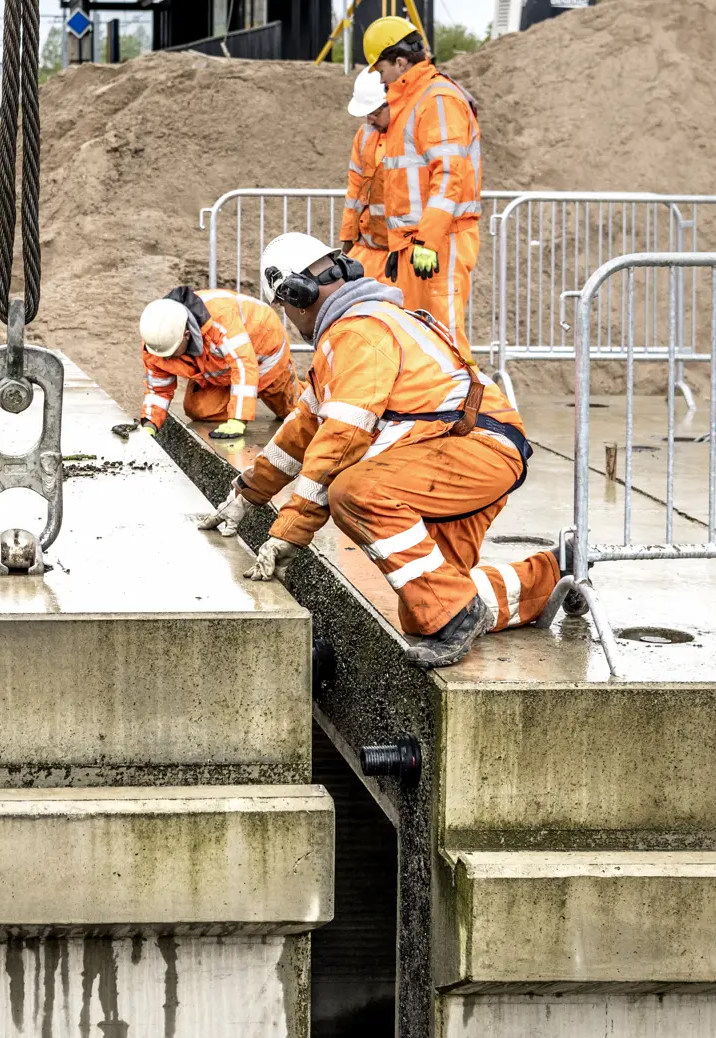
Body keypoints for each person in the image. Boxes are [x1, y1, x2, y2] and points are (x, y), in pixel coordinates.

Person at [198, 232, 559, 668]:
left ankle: (460, 614)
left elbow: (341, 442)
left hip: (471, 450)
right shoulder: (358, 329)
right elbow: (301, 432)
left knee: (354, 491)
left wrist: (289, 530)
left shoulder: (357, 334)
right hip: (461, 450)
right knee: (429, 607)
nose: (289, 317)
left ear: (296, 294)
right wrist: (245, 495)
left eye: (284, 305)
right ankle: (552, 575)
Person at [362, 16, 482, 352]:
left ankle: (477, 406)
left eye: (381, 69)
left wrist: (428, 240)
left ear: (399, 62)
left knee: (447, 339)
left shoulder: (438, 99)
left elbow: (448, 176)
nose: (380, 78)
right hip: (416, 246)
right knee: (421, 340)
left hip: (439, 241)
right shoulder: (412, 102)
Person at [135, 286, 300, 439]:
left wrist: (237, 420)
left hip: (263, 347)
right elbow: (158, 390)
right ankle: (243, 396)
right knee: (199, 410)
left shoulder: (220, 320)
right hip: (222, 368)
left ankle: (311, 392)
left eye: (172, 353)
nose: (167, 359)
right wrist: (149, 425)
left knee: (293, 412)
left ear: (186, 335)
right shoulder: (156, 342)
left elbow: (243, 366)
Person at [339, 70, 392, 281]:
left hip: (397, 251)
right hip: (365, 247)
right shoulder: (365, 134)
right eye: (367, 113)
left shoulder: (410, 135)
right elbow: (354, 191)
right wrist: (347, 241)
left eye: (375, 112)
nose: (370, 119)